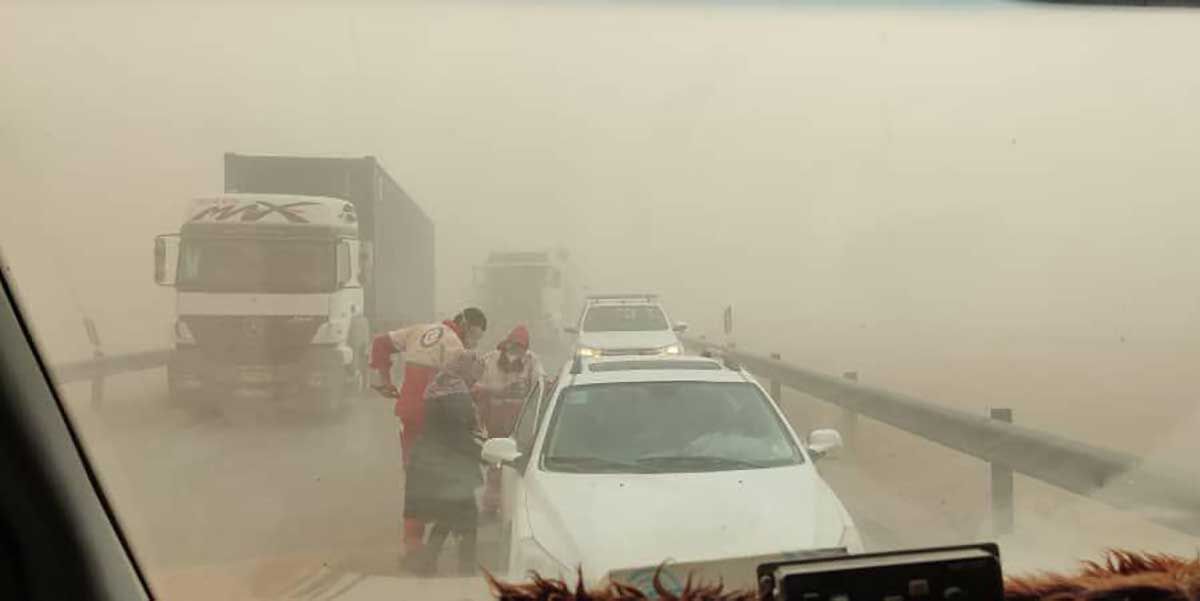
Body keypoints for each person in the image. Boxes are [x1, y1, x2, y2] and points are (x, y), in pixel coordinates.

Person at [368, 308, 487, 559]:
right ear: (465, 324)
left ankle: (413, 544)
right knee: (448, 478)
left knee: (415, 477)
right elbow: (461, 387)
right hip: (436, 420)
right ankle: (447, 541)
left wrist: (386, 379)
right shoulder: (455, 346)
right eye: (475, 335)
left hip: (409, 415)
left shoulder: (417, 330)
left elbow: (380, 343)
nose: (472, 342)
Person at [400, 345, 487, 576]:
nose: (475, 380)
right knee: (467, 518)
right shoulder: (456, 395)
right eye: (475, 374)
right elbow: (457, 434)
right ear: (466, 370)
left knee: (448, 515)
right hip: (451, 465)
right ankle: (466, 571)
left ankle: (428, 563)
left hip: (434, 462)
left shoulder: (439, 385)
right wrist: (482, 454)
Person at [472, 324, 544, 513]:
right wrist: (495, 392)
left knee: (517, 465)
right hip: (493, 418)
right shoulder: (488, 360)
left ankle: (515, 506)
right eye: (512, 348)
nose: (514, 354)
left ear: (525, 350)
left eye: (519, 349)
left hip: (520, 423)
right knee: (495, 462)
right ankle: (491, 505)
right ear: (505, 346)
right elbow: (473, 387)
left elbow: (540, 386)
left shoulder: (532, 362)